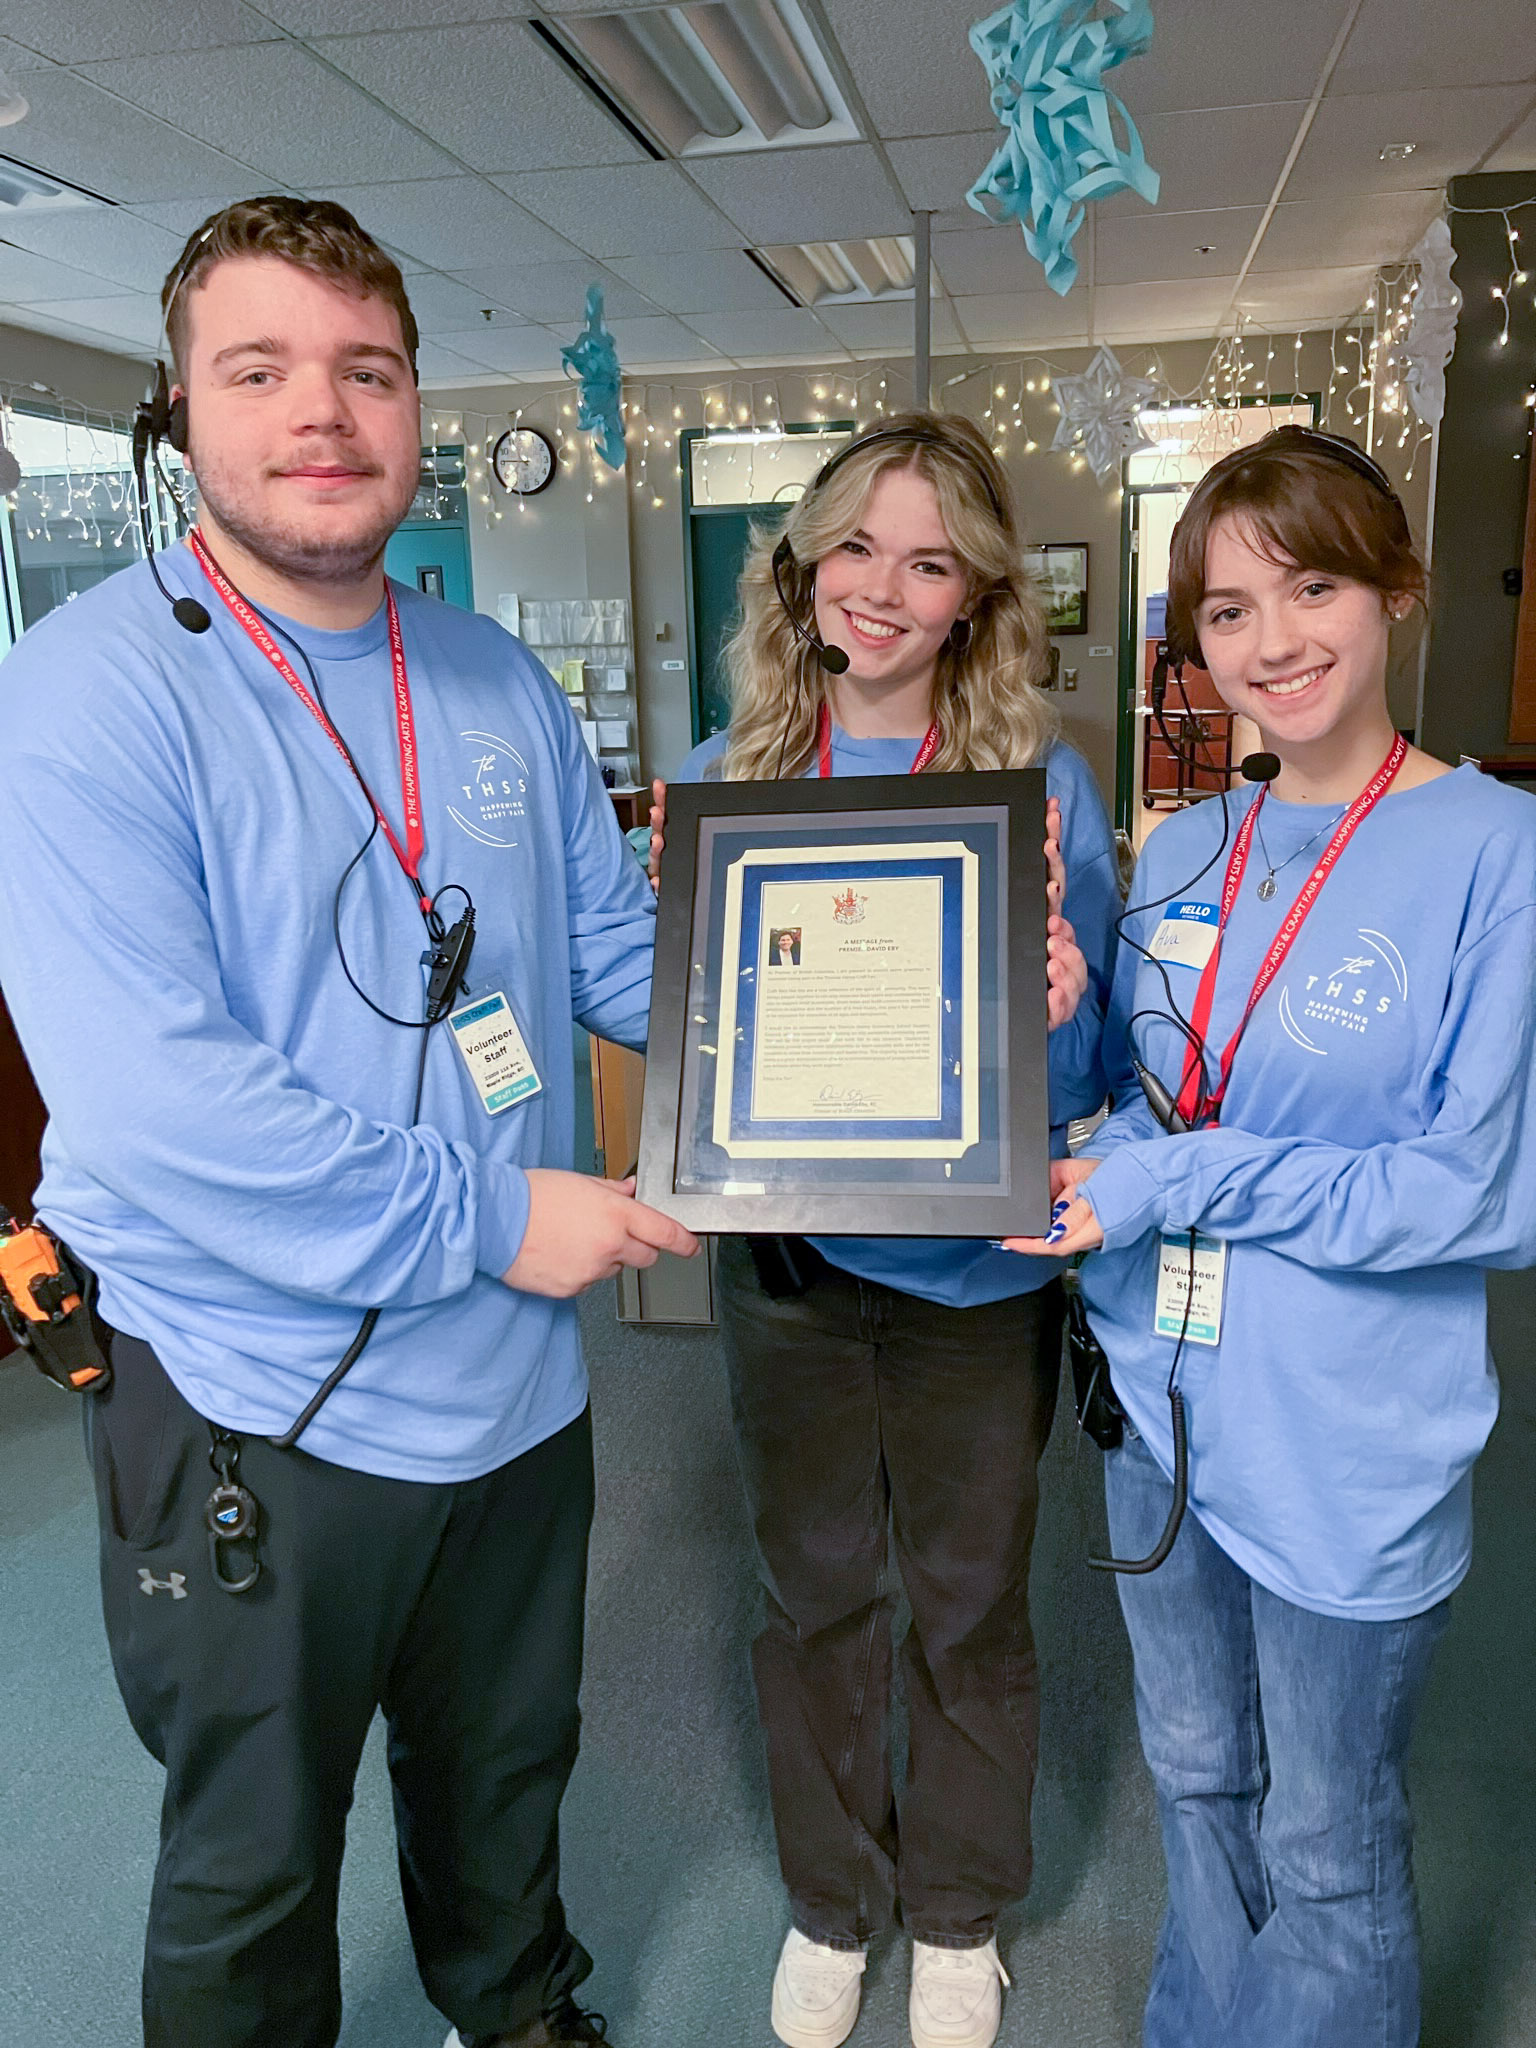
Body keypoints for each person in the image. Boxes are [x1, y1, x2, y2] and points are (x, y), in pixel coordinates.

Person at [0, 196, 697, 2048]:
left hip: (517, 1395)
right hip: (253, 1400)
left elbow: (620, 957)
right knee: (251, 1860)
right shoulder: (84, 695)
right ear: (178, 410)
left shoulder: (489, 678)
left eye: (366, 370)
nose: (323, 411)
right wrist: (489, 1216)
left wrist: (903, 1027)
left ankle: (515, 2002)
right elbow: (160, 1112)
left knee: (504, 1775)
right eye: (262, 368)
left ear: (414, 405)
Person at [1010, 425, 1536, 2046]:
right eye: (1227, 611)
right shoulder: (1188, 847)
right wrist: (1070, 1028)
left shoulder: (1494, 852)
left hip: (1346, 1442)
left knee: (1326, 1843)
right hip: (1163, 1416)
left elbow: (1476, 1192)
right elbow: (1148, 1108)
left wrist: (1182, 1179)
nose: (1273, 641)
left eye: (1311, 586)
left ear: (1395, 588)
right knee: (1195, 1778)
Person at [660, 413, 1120, 2048]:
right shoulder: (730, 779)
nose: (882, 588)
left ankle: (956, 1913)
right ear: (799, 564)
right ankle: (832, 1903)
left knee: (968, 1597)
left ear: (976, 599)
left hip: (974, 1281)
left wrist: (1062, 1002)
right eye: (855, 545)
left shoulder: (1038, 783)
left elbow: (1098, 1074)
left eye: (929, 563)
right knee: (813, 1594)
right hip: (786, 1272)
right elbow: (706, 1054)